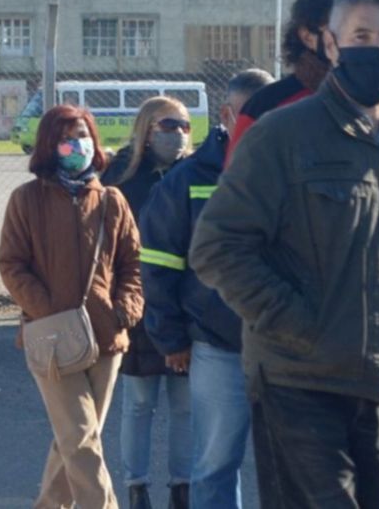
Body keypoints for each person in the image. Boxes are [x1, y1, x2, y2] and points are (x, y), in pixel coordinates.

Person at [191, 0, 379, 508]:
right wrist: (297, 325)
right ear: (330, 45)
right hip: (300, 382)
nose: (375, 50)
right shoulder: (279, 133)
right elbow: (217, 246)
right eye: (360, 36)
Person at [139, 69, 272, 509]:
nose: (263, 124)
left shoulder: (288, 168)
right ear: (226, 114)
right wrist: (171, 337)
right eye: (252, 114)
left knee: (294, 466)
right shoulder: (187, 180)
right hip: (219, 345)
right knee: (215, 467)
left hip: (286, 345)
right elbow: (158, 265)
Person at [0, 104, 143, 509]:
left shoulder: (112, 200)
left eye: (82, 135)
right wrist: (46, 310)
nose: (76, 143)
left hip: (106, 336)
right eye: (66, 137)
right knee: (80, 436)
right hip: (51, 336)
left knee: (76, 437)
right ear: (49, 145)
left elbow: (132, 262)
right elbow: (11, 264)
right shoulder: (26, 200)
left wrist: (124, 311)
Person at [101, 97, 193, 509]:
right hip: (137, 307)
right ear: (145, 129)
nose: (178, 134)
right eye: (168, 125)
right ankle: (136, 487)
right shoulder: (118, 176)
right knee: (139, 403)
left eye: (185, 126)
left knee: (185, 406)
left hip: (185, 308)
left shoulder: (193, 172)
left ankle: (182, 487)